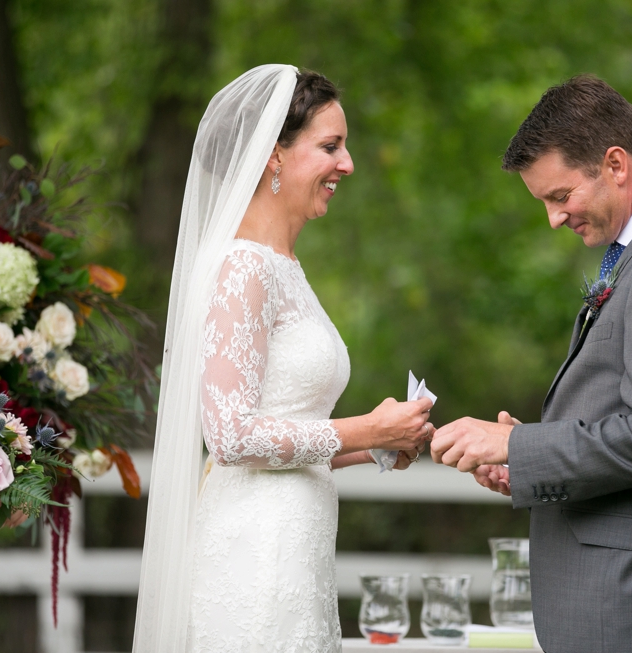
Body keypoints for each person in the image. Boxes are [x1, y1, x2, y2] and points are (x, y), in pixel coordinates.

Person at [431, 75, 632, 653]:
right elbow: (631, 415)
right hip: (618, 607)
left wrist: (515, 449)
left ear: (615, 165)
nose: (553, 218)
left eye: (560, 195)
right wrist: (530, 454)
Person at [132, 64, 434, 653]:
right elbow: (231, 437)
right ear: (274, 155)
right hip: (256, 551)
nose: (347, 164)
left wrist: (374, 444)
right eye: (330, 146)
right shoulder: (244, 268)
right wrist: (365, 426)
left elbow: (286, 430)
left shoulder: (284, 267)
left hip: (297, 545)